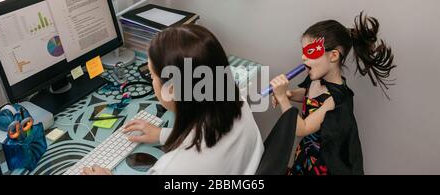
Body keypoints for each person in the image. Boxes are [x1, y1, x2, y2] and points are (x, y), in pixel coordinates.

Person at [82, 24, 264, 175]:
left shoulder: (172, 169)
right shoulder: (237, 102)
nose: (152, 82)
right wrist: (163, 134)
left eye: (152, 76)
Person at [270, 12, 396, 175]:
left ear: (333, 56)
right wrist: (289, 94)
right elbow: (309, 95)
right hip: (307, 153)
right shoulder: (315, 79)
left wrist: (282, 99)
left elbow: (302, 128)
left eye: (310, 52)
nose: (303, 57)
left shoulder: (336, 100)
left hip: (322, 164)